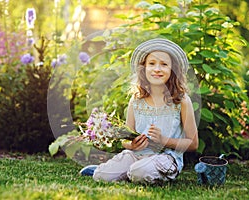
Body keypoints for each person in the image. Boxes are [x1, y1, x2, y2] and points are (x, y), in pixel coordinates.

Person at [80, 38, 198, 184]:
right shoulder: (136, 100)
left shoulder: (181, 101)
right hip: (136, 155)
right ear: (144, 68)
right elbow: (126, 139)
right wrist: (132, 145)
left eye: (164, 64)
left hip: (166, 158)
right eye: (152, 64)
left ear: (172, 70)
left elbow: (193, 143)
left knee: (139, 172)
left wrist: (163, 141)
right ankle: (121, 170)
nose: (157, 69)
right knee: (100, 176)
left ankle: (133, 172)